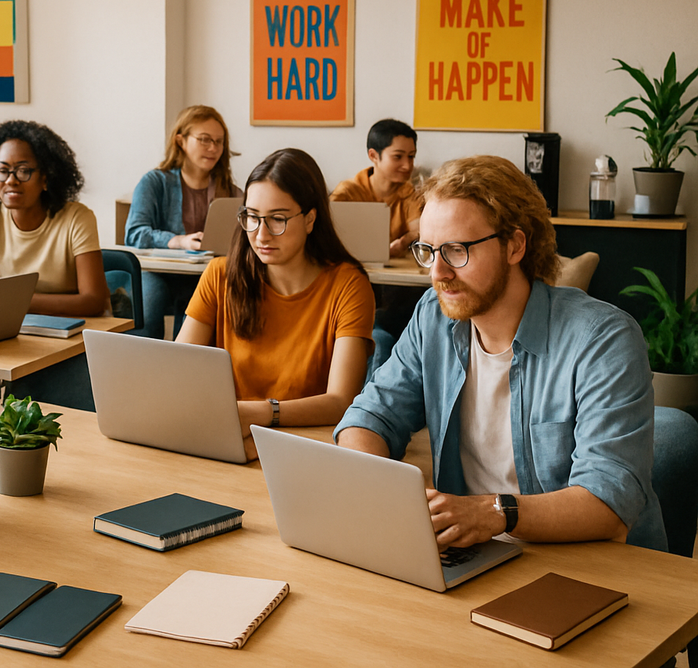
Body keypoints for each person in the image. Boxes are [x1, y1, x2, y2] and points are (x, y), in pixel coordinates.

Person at [334, 155, 666, 552]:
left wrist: (493, 512)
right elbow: (370, 417)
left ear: (514, 245)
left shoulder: (603, 339)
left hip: (591, 567)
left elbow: (608, 503)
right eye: (428, 250)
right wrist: (390, 494)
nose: (437, 273)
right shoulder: (434, 317)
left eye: (457, 250)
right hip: (474, 555)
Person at [176, 148, 375, 460]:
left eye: (278, 219)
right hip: (226, 442)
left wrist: (263, 413)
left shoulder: (348, 285)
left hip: (303, 449)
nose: (261, 234)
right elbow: (176, 371)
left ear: (310, 219)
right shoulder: (220, 275)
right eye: (252, 218)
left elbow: (341, 400)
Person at [0, 119, 108, 409]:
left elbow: (94, 300)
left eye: (23, 171)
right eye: (3, 171)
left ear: (46, 177)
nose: (11, 181)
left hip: (74, 342)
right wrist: (15, 304)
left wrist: (16, 301)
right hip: (15, 339)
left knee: (45, 411)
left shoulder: (77, 218)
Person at [124, 105, 242, 338]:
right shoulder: (154, 182)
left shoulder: (231, 192)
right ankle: (142, 370)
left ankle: (184, 369)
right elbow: (135, 234)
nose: (213, 148)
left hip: (204, 275)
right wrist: (179, 241)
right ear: (181, 141)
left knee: (198, 313)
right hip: (157, 272)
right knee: (148, 304)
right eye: (205, 139)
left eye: (219, 142)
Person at [330, 118, 421, 258]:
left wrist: (403, 243)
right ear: (373, 156)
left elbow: (420, 231)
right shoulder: (347, 192)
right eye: (398, 157)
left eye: (411, 156)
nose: (407, 166)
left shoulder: (410, 194)